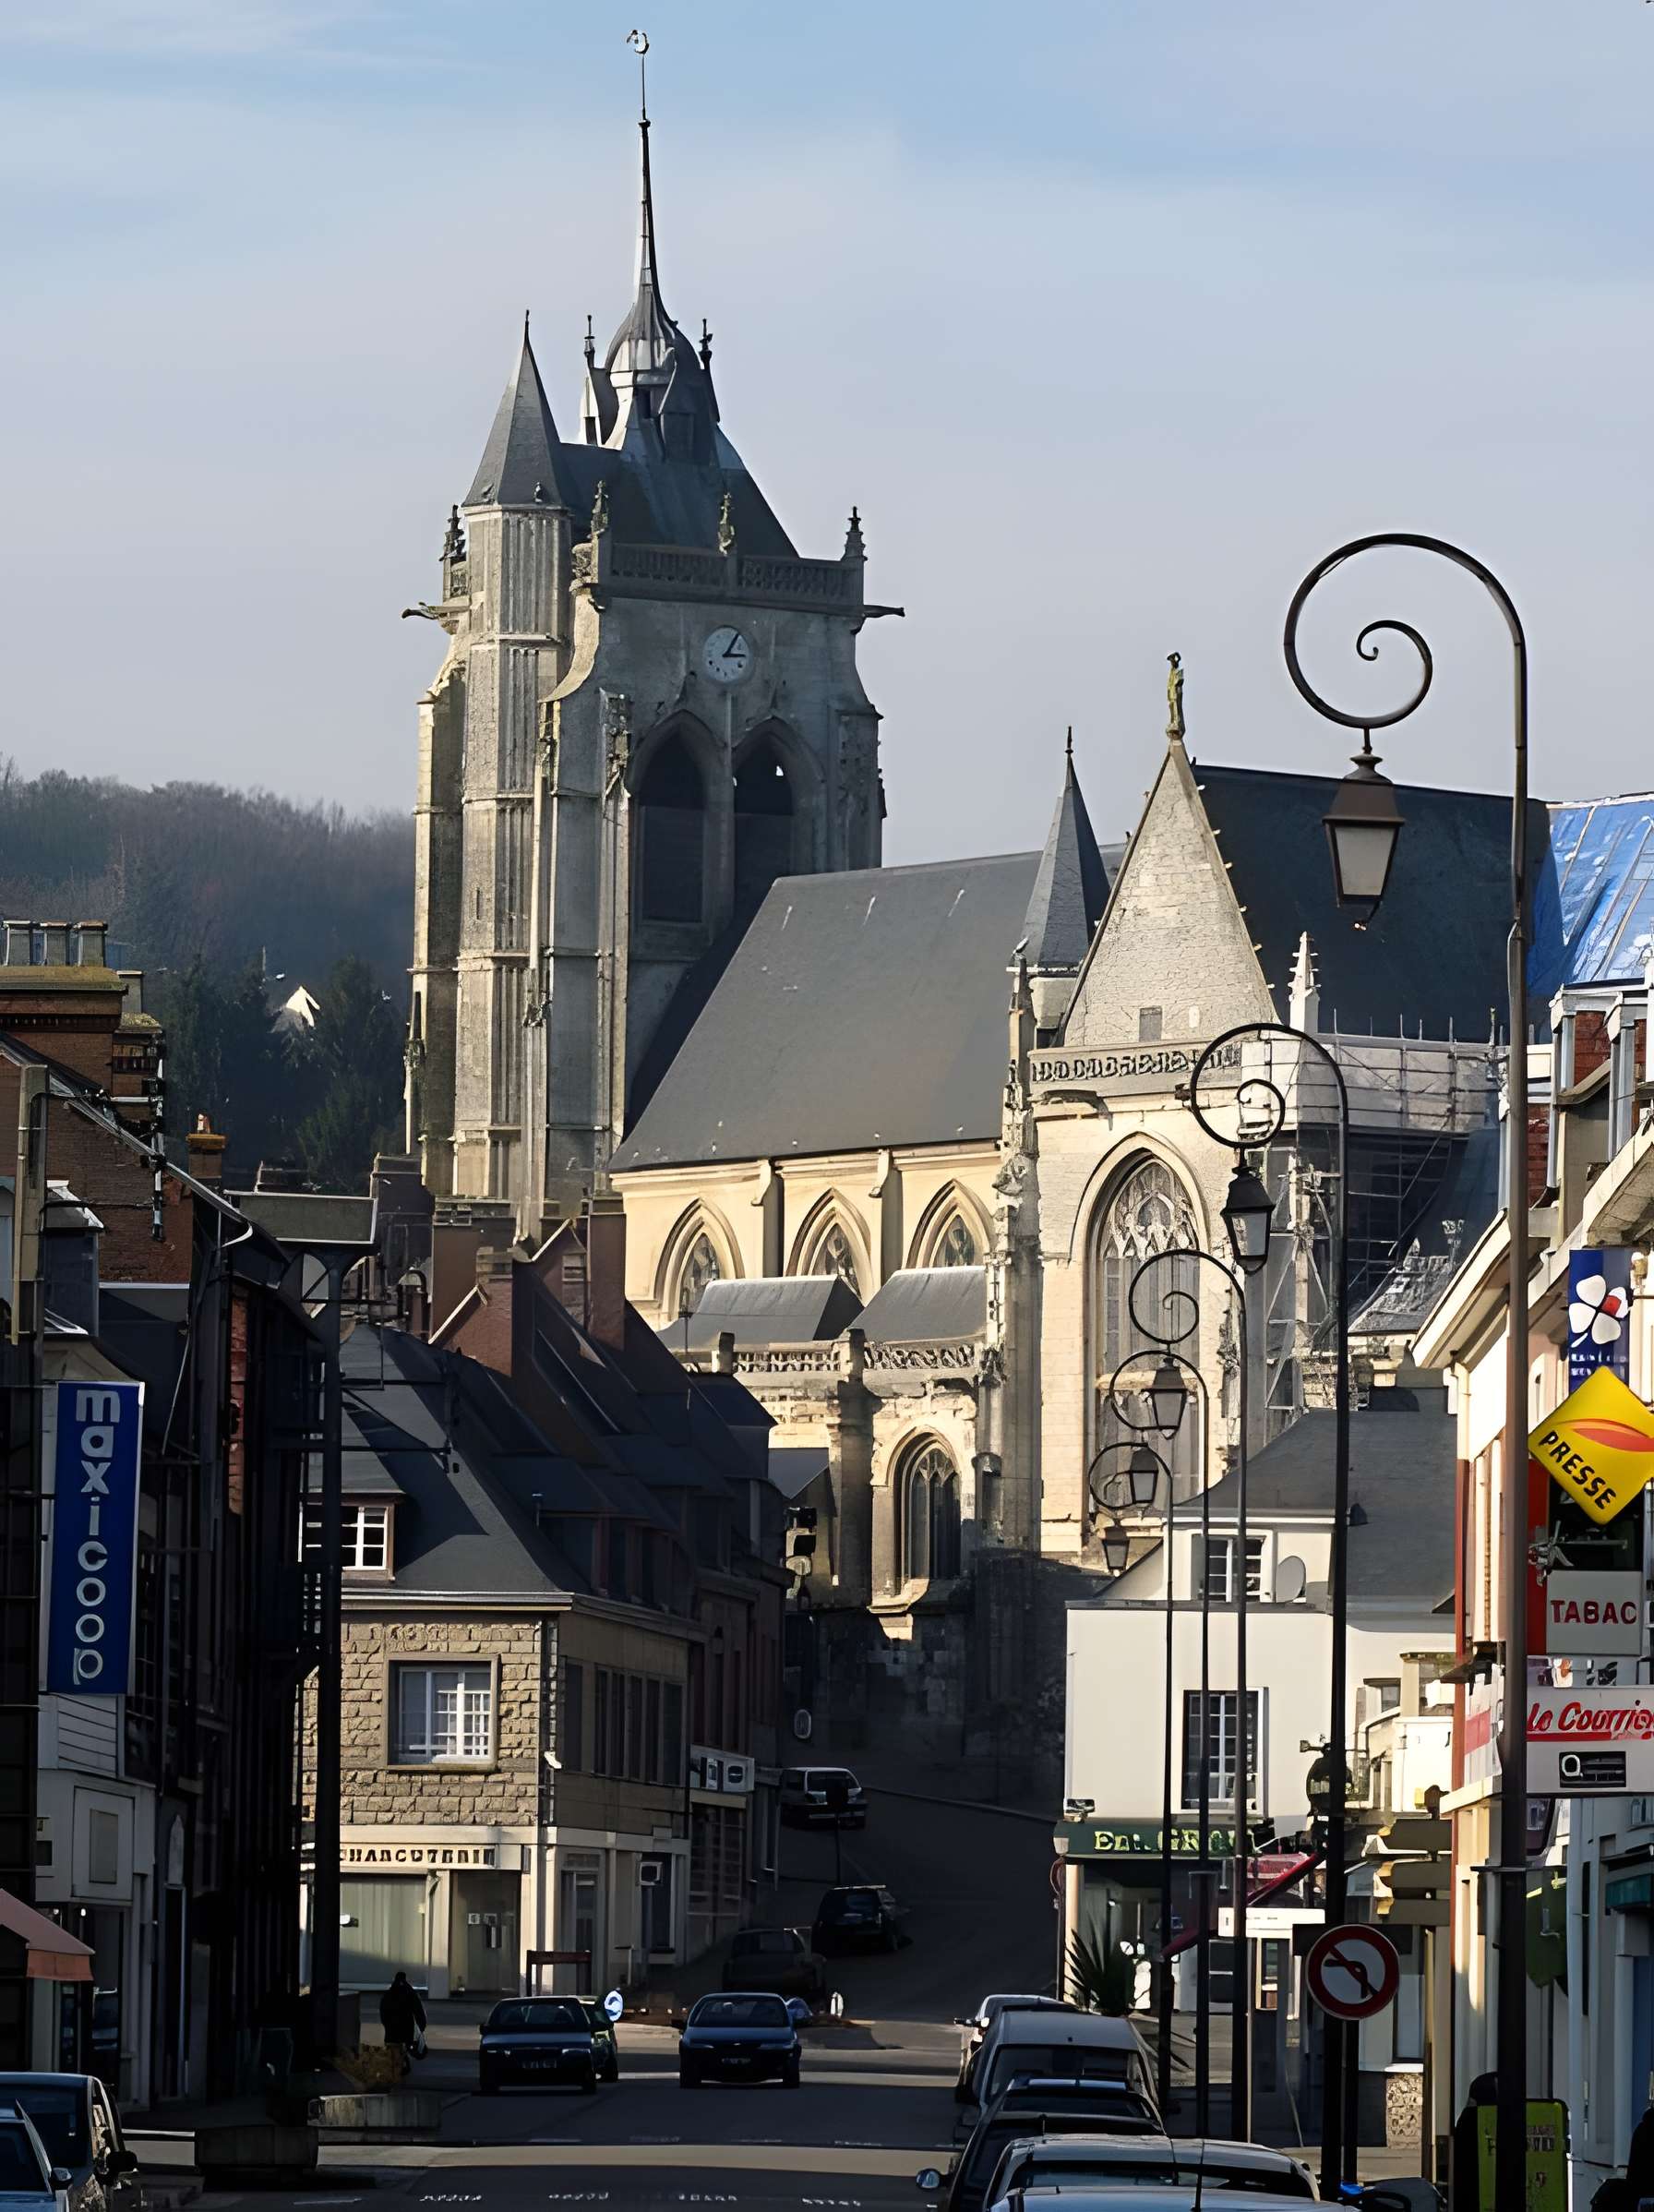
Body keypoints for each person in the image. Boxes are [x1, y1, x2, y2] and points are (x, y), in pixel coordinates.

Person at [379, 1972, 426, 2074]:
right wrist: (421, 2026)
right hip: (407, 2028)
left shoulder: (389, 1994)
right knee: (405, 2047)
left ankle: (395, 2069)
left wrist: (386, 2025)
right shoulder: (410, 1992)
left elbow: (383, 2012)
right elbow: (419, 2011)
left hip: (391, 2029)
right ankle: (403, 2066)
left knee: (393, 2049)